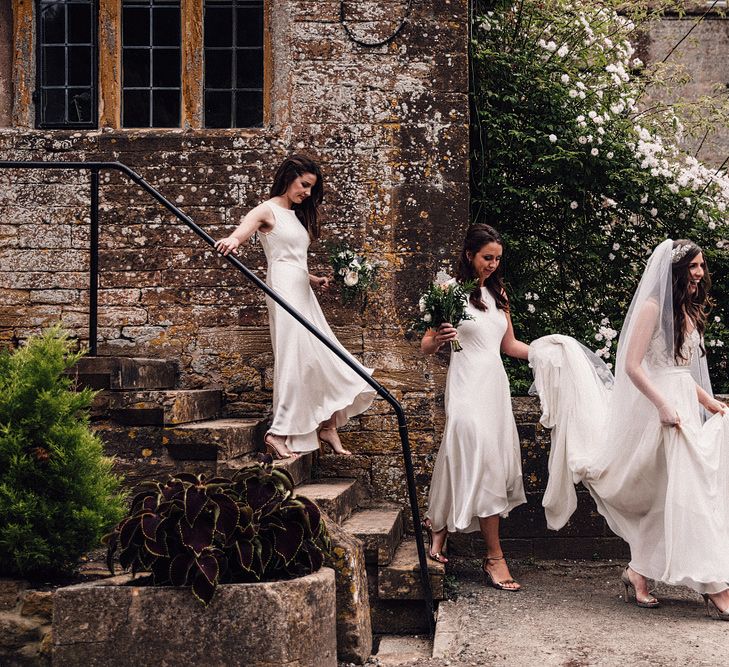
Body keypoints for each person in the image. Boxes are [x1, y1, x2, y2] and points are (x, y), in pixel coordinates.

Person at [530, 239, 729, 618]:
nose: (700, 273)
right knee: (684, 491)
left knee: (674, 493)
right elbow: (634, 367)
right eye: (693, 267)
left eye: (702, 266)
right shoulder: (652, 309)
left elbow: (682, 371)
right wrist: (663, 406)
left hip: (683, 404)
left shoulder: (685, 311)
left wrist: (709, 401)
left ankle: (638, 571)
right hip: (661, 412)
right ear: (676, 270)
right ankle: (716, 587)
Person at [215, 155, 375, 459]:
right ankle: (277, 432)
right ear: (289, 177)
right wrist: (232, 241)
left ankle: (327, 424)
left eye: (312, 188)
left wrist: (314, 280)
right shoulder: (267, 210)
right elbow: (244, 230)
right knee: (293, 357)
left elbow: (294, 258)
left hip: (301, 288)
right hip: (283, 289)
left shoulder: (296, 215)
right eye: (304, 185)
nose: (307, 193)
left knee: (322, 354)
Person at [421, 224, 529, 591]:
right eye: (487, 258)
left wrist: (550, 352)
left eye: (498, 259)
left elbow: (510, 346)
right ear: (470, 255)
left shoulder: (499, 294)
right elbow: (425, 345)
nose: (493, 265)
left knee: (484, 458)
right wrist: (439, 337)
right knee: (467, 446)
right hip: (466, 385)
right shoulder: (448, 291)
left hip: (493, 386)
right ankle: (493, 555)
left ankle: (440, 531)